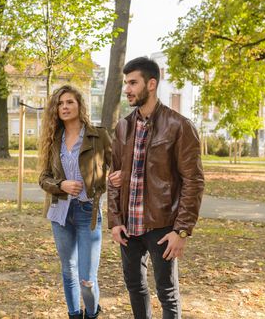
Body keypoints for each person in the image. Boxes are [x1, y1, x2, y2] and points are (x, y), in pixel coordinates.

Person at [107, 57, 205, 318]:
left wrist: (181, 231)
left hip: (161, 226)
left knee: (167, 292)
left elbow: (193, 182)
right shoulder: (123, 126)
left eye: (133, 83)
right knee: (135, 287)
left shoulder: (179, 126)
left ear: (151, 84)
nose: (127, 89)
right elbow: (113, 176)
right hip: (129, 226)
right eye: (126, 83)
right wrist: (115, 220)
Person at [38, 85, 120, 319]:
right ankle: (74, 314)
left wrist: (106, 182)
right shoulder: (53, 140)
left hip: (87, 212)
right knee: (68, 270)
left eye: (69, 102)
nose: (64, 107)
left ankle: (92, 312)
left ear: (79, 105)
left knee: (86, 278)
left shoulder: (98, 135)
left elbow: (117, 169)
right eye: (61, 103)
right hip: (60, 212)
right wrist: (61, 185)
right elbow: (43, 178)